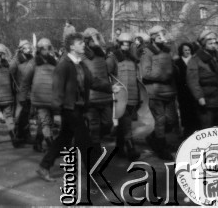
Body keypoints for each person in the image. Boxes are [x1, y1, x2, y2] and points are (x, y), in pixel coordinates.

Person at [36, 33, 96, 182]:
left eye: (83, 42)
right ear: (72, 46)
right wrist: (57, 111)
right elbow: (57, 89)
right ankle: (95, 175)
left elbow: (92, 82)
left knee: (64, 139)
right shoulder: (63, 65)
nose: (83, 45)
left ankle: (44, 166)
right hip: (69, 108)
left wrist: (110, 88)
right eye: (80, 43)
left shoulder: (81, 64)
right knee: (85, 140)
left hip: (79, 107)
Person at [140, 25, 176, 161]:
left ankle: (153, 137)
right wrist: (163, 75)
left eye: (164, 34)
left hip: (169, 91)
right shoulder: (147, 52)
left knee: (171, 120)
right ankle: (161, 147)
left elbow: (172, 67)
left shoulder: (167, 50)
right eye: (160, 35)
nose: (163, 37)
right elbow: (145, 73)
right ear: (154, 37)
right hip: (155, 92)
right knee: (160, 121)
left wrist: (174, 70)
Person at [187, 30, 218, 130]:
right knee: (207, 129)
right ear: (203, 44)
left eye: (215, 42)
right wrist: (199, 97)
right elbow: (193, 81)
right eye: (210, 43)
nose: (213, 45)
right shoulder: (195, 60)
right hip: (207, 99)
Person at [107, 32, 141, 161]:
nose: (125, 46)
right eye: (123, 43)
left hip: (133, 96)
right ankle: (131, 148)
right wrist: (111, 87)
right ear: (119, 44)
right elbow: (105, 74)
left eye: (128, 43)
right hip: (120, 96)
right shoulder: (113, 58)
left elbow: (138, 78)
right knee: (126, 124)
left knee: (124, 123)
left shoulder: (133, 59)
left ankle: (119, 148)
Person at [82, 28, 115, 158]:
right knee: (94, 126)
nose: (97, 42)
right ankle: (95, 151)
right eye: (93, 39)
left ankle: (92, 142)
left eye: (97, 38)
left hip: (105, 96)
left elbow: (107, 71)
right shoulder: (83, 56)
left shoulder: (102, 55)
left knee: (108, 124)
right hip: (91, 97)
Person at [26, 38, 57, 152]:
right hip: (39, 98)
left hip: (51, 97)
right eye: (45, 48)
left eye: (49, 47)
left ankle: (37, 143)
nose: (47, 50)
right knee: (45, 122)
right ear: (39, 49)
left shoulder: (53, 61)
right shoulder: (33, 62)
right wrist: (26, 95)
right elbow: (26, 80)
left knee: (45, 122)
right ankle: (51, 145)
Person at [10, 40, 35, 144]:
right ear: (21, 49)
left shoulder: (32, 59)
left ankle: (26, 133)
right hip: (20, 91)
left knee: (27, 113)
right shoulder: (15, 60)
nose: (28, 48)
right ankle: (17, 134)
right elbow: (11, 75)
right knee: (19, 114)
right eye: (26, 47)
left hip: (30, 90)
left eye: (29, 46)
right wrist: (15, 88)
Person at [174, 43, 199, 139]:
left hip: (194, 90)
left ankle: (195, 130)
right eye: (185, 50)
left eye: (188, 50)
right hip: (182, 91)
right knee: (184, 111)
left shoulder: (195, 61)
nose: (187, 52)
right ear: (181, 51)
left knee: (195, 111)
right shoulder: (177, 62)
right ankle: (187, 131)